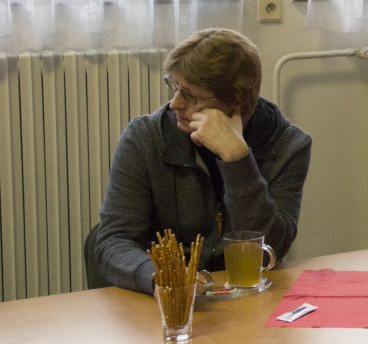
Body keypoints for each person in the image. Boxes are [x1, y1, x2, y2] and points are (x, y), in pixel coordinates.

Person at [93, 28, 313, 294]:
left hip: (247, 298)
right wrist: (165, 277)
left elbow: (271, 251)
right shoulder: (145, 138)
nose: (175, 103)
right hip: (166, 301)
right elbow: (113, 242)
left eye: (190, 95)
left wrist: (237, 159)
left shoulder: (289, 145)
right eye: (175, 87)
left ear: (236, 102)